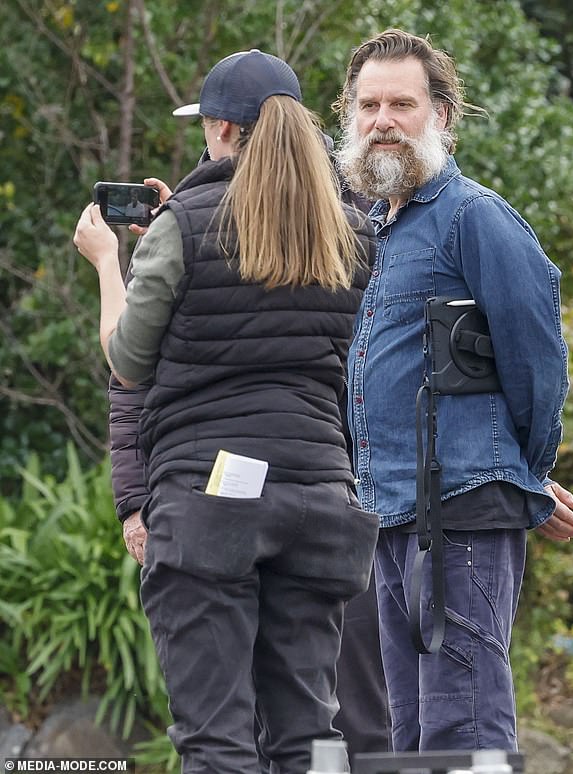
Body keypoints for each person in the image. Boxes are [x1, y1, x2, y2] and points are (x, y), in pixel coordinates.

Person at [74, 49, 380, 774]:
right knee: (309, 738)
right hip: (318, 499)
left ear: (219, 127)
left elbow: (127, 358)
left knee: (217, 740)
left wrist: (111, 267)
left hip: (214, 500)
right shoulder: (350, 230)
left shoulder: (187, 222)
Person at [332, 28, 573, 754]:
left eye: (402, 104)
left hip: (462, 514)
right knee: (409, 732)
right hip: (389, 514)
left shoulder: (475, 217)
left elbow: (538, 358)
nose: (383, 120)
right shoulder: (378, 228)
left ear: (441, 115)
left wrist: (520, 473)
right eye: (369, 105)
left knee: (465, 725)